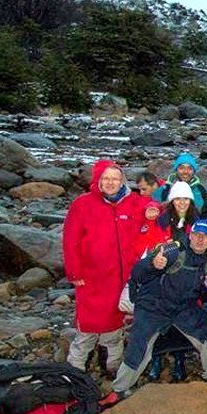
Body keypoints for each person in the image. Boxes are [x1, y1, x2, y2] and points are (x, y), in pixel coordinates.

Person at [111, 220, 207, 396]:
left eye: (205, 236)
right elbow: (137, 273)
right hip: (153, 307)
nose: (200, 239)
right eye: (196, 235)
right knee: (139, 347)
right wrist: (152, 264)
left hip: (182, 308)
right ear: (190, 235)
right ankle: (119, 389)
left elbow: (203, 296)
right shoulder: (172, 251)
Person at [63, 160, 154, 375]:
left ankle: (110, 365)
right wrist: (74, 272)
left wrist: (151, 208)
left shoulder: (132, 201)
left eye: (115, 178)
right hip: (91, 277)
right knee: (87, 326)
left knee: (114, 323)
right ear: (98, 181)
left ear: (122, 180)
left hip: (120, 277)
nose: (111, 183)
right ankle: (75, 368)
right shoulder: (83, 204)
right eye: (106, 178)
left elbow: (152, 205)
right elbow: (70, 241)